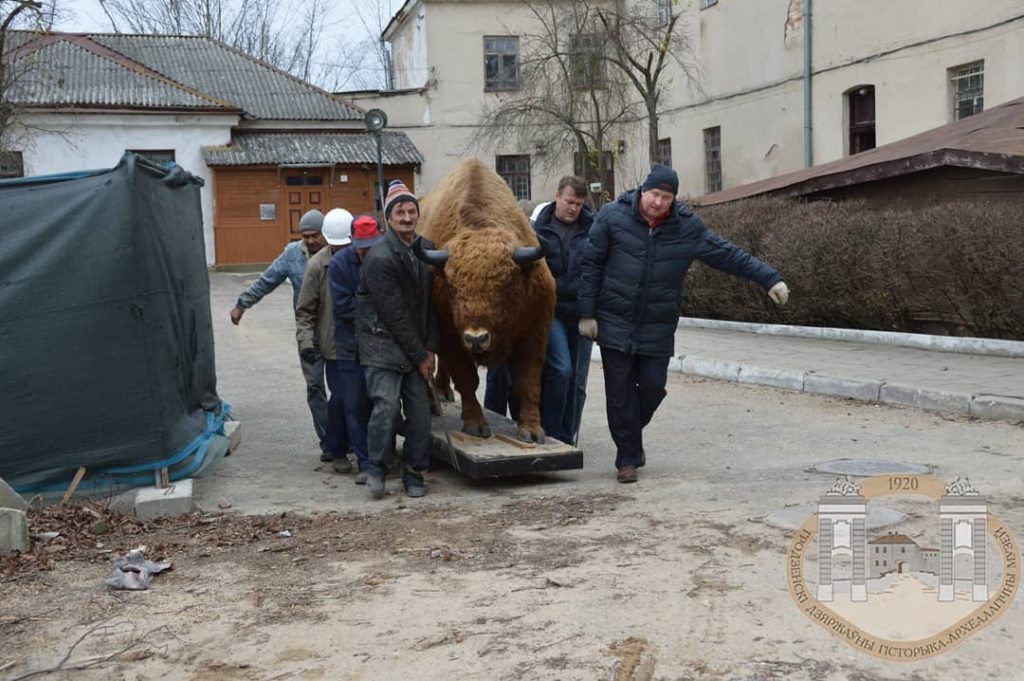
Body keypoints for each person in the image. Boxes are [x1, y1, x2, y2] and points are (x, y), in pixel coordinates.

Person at [578, 164, 790, 483]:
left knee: (651, 387)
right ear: (642, 190)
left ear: (673, 200)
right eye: (654, 194)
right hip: (614, 319)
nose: (658, 202)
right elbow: (590, 264)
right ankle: (627, 458)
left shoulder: (685, 227)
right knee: (619, 393)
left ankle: (629, 437)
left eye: (666, 196)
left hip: (657, 324)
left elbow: (727, 254)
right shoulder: (612, 216)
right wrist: (586, 313)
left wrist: (769, 278)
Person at [356, 180, 438, 499]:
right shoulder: (379, 257)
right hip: (382, 346)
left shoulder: (426, 247)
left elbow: (434, 306)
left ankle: (415, 472)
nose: (406, 217)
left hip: (416, 346)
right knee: (386, 408)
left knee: (420, 414)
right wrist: (420, 355)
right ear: (389, 218)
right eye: (400, 212)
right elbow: (394, 314)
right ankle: (377, 468)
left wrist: (430, 349)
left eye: (411, 211)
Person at [230, 209, 333, 461]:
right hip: (307, 332)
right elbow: (267, 280)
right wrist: (243, 304)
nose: (310, 241)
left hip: (336, 331)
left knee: (344, 389)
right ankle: (328, 442)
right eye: (305, 236)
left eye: (315, 236)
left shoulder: (337, 252)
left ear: (325, 234)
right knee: (315, 387)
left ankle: (347, 437)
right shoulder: (292, 255)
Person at [531, 176, 595, 445]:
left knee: (578, 382)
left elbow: (598, 269)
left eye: (579, 204)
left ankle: (569, 436)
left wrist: (592, 309)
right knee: (561, 369)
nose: (573, 208)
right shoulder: (538, 229)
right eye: (569, 202)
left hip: (583, 313)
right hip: (552, 311)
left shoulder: (594, 229)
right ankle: (553, 432)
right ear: (557, 196)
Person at [296, 208, 354, 474]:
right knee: (339, 399)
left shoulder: (365, 258)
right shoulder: (317, 266)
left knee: (364, 400)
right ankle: (336, 448)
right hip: (333, 346)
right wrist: (306, 342)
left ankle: (369, 453)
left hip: (365, 344)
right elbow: (305, 310)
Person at [328, 214, 383, 485]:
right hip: (350, 348)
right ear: (352, 241)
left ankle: (380, 459)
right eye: (362, 247)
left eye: (372, 246)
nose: (366, 252)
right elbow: (344, 307)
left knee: (381, 404)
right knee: (354, 405)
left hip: (380, 347)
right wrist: (377, 306)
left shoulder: (385, 260)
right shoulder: (339, 264)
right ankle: (365, 462)